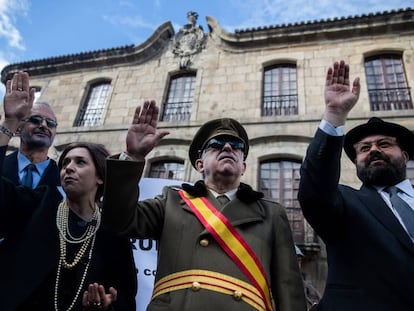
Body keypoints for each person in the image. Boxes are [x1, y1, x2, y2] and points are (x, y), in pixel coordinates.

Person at [102, 100, 307, 311]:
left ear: (243, 166)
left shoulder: (272, 213)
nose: (228, 147)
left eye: (237, 147)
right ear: (199, 164)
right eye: (216, 145)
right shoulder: (171, 201)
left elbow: (289, 289)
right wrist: (133, 157)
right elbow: (118, 221)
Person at [0, 71, 137, 310]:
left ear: (101, 177)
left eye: (80, 162)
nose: (69, 168)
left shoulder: (111, 230)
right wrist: (9, 123)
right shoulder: (41, 200)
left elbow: (125, 295)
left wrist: (105, 306)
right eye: (65, 163)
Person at [297, 60, 414, 311]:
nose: (373, 150)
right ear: (357, 162)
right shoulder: (345, 203)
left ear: (404, 156)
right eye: (364, 148)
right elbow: (315, 187)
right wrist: (335, 115)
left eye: (383, 144)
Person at [3, 97, 60, 189]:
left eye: (50, 123)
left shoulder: (62, 179)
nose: (44, 126)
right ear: (18, 129)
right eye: (35, 120)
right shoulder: (2, 164)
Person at [294, 246, 320, 311]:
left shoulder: (309, 289)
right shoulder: (273, 288)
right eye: (294, 260)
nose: (297, 264)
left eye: (299, 260)